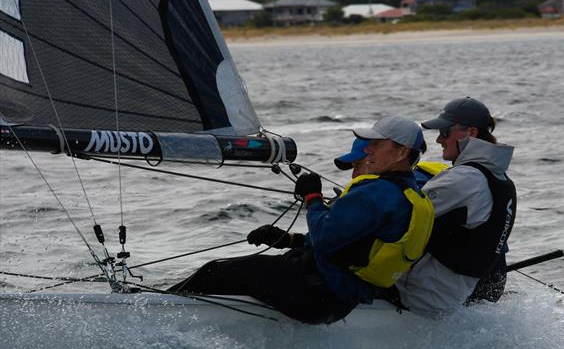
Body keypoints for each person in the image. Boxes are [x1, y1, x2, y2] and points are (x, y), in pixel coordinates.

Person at [170, 116, 434, 324]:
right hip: (338, 300)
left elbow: (325, 238)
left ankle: (151, 315)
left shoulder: (379, 193)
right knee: (243, 275)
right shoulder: (410, 193)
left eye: (377, 144)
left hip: (315, 291)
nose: (368, 149)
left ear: (401, 152)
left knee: (213, 272)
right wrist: (289, 240)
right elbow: (350, 243)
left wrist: (313, 197)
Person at [394, 97, 517, 317]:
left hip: (421, 299)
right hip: (454, 296)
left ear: (470, 133)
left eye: (445, 132)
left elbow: (397, 215)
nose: (439, 139)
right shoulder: (499, 177)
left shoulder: (465, 179)